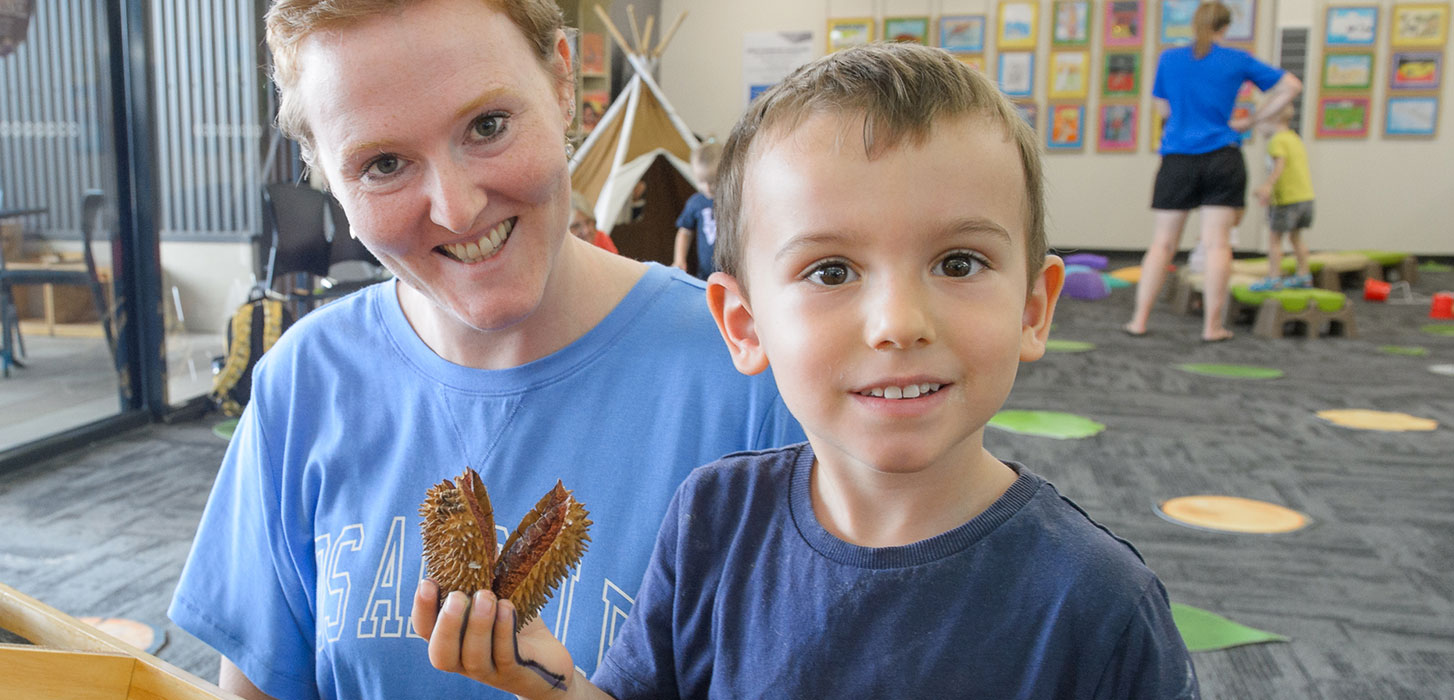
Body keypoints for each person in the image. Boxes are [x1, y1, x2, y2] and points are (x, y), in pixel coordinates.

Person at [416, 43, 1198, 698]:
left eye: (959, 262)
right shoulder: (713, 519)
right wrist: (548, 680)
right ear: (745, 326)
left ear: (1034, 308)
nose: (898, 323)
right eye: (831, 271)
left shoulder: (1097, 607)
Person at [167, 1, 800, 699]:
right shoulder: (305, 383)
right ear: (326, 178)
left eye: (488, 126)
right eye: (382, 164)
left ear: (562, 83)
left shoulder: (750, 376)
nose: (458, 208)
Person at [1125, 1, 1301, 341]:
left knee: (1162, 244)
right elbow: (1291, 85)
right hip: (1222, 156)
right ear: (1224, 27)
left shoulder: (1170, 59)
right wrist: (1255, 119)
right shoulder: (1236, 60)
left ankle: (1139, 321)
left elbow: (1162, 107)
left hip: (1177, 159)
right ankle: (1212, 327)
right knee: (1218, 244)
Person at [1249, 110, 1316, 291]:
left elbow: (1280, 164)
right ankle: (1304, 275)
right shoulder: (1294, 138)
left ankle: (1274, 277)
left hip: (1286, 199)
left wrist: (1267, 185)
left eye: (1261, 122)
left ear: (1272, 119)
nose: (1259, 127)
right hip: (1305, 196)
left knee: (1274, 239)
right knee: (1296, 237)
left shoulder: (1276, 141)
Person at [669, 142, 720, 279]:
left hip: (734, 274)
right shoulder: (696, 203)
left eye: (713, 181)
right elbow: (685, 231)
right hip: (705, 274)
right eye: (702, 181)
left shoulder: (732, 200)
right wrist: (679, 259)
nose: (708, 188)